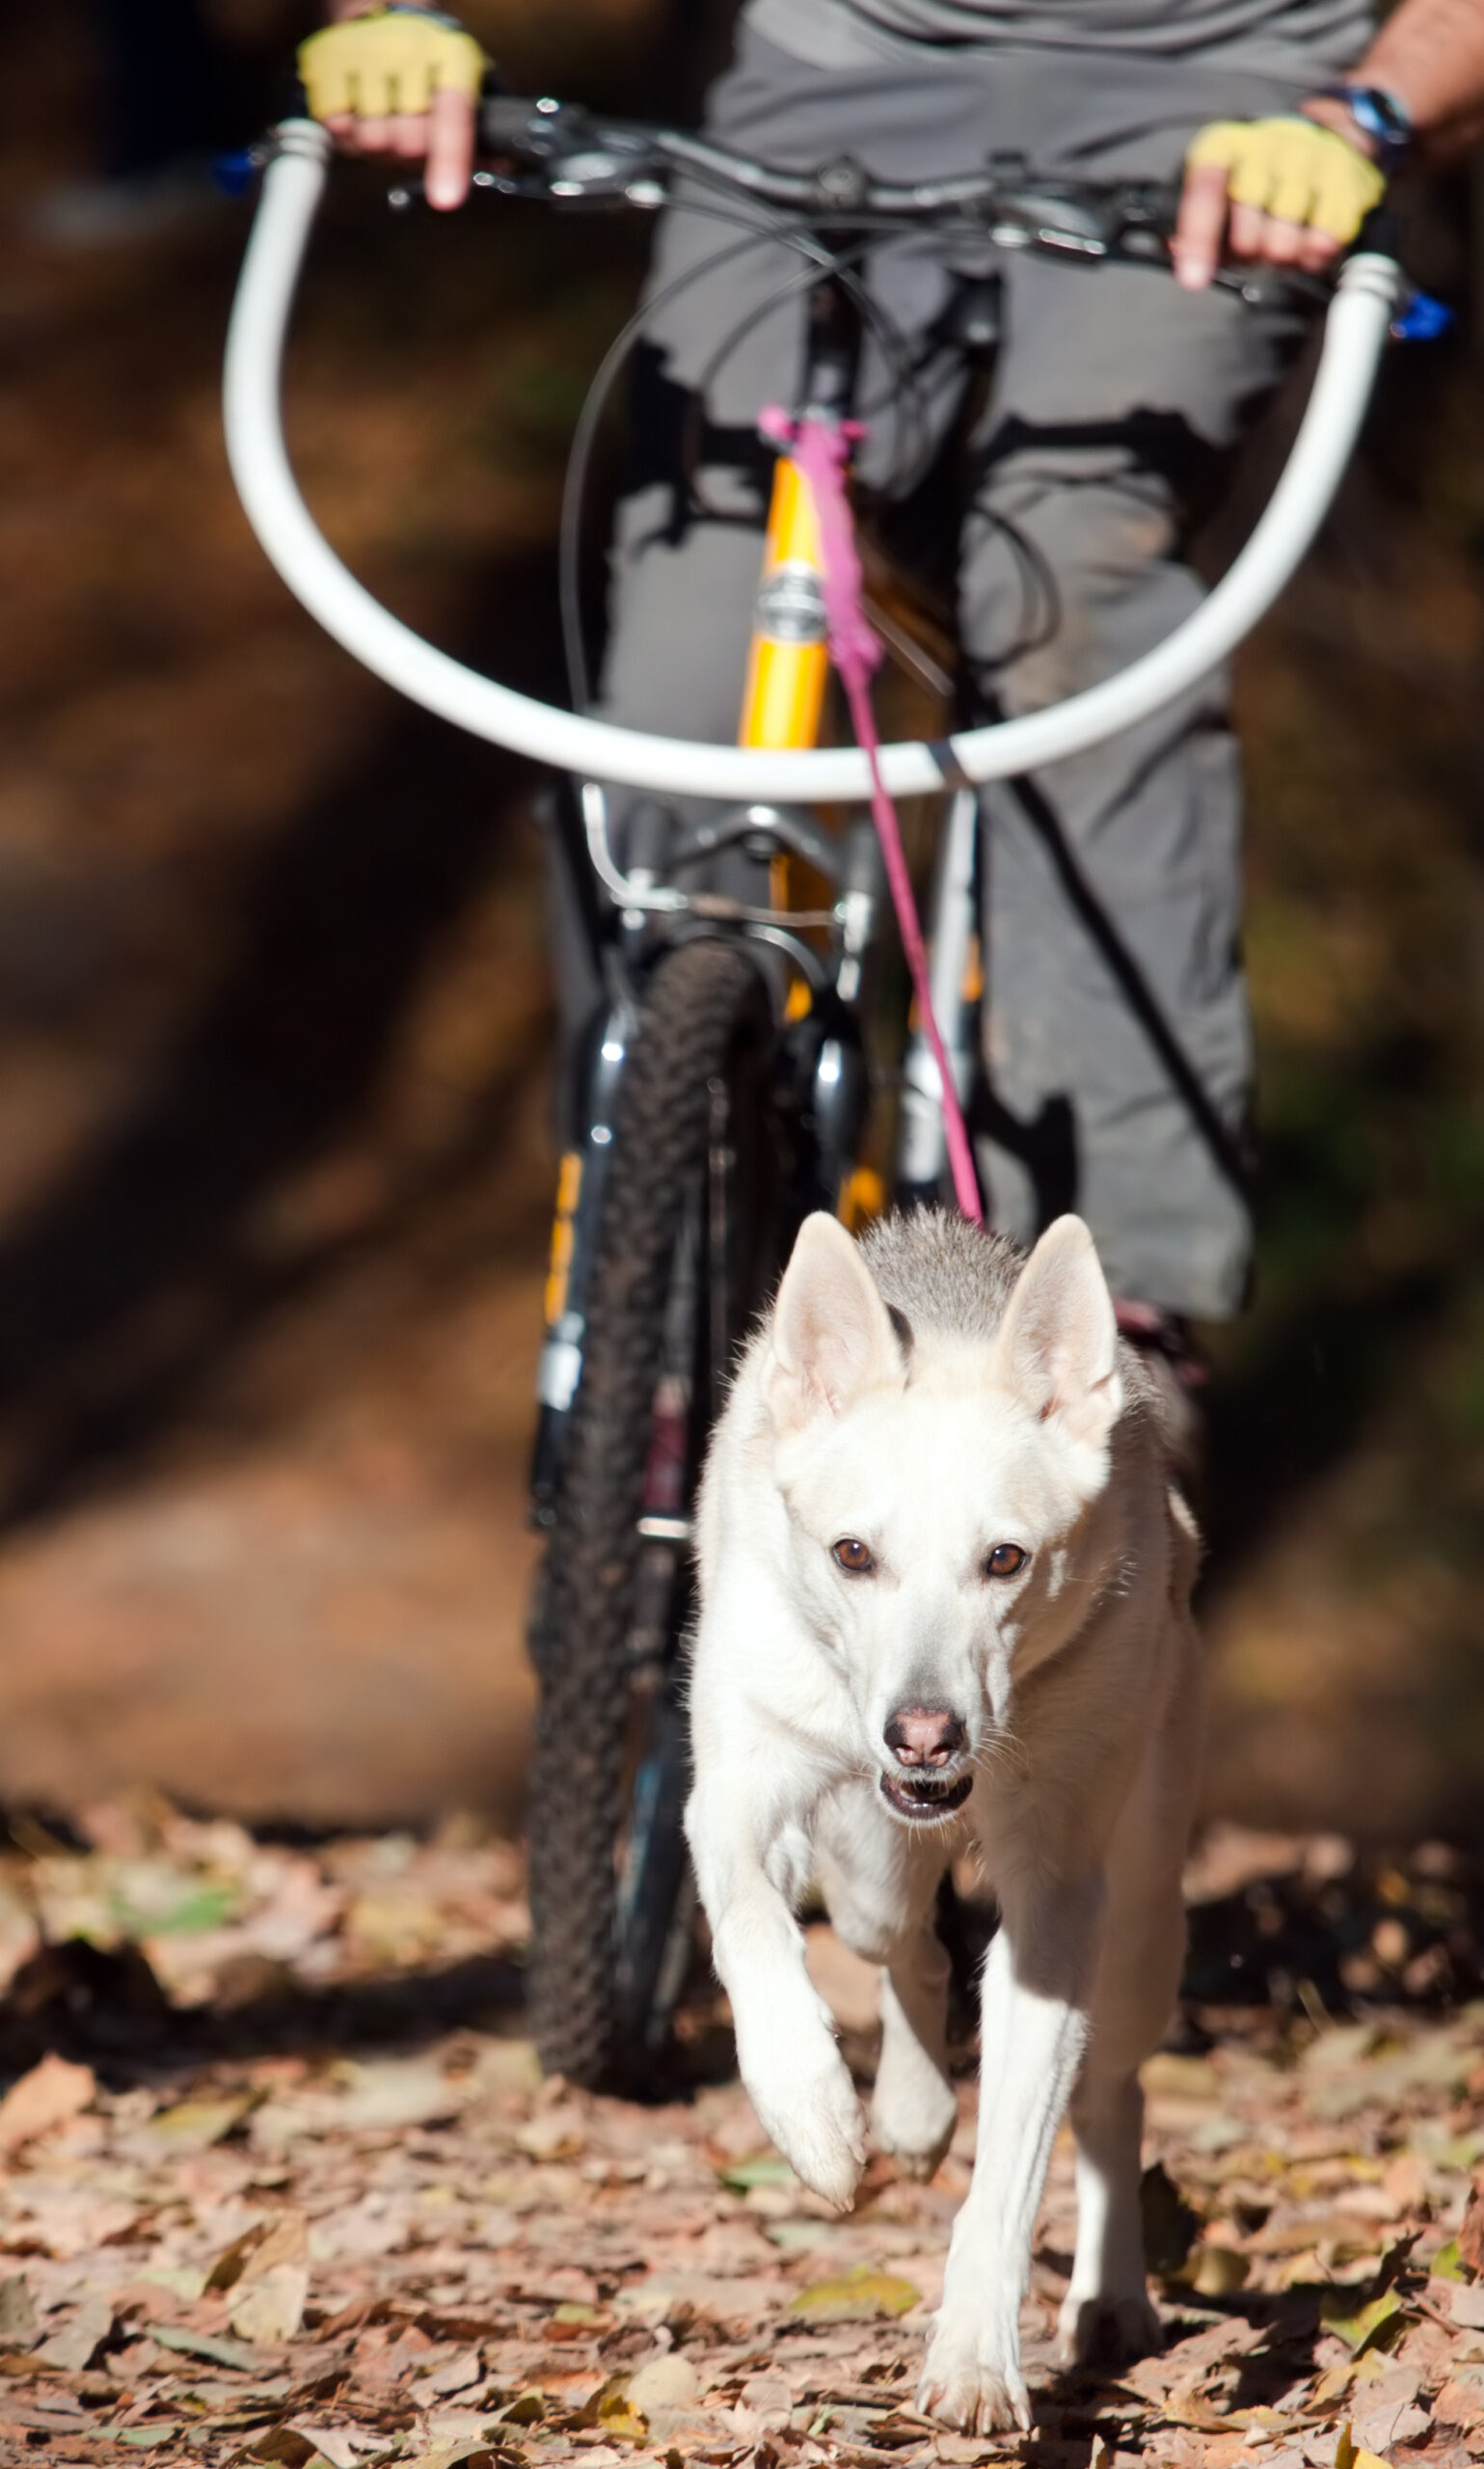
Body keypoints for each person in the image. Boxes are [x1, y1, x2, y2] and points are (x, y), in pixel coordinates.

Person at [297, 0, 1484, 1341]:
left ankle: (1112, 1308)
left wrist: (1372, 109)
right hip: (833, 72)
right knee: (690, 651)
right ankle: (653, 1230)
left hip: (1227, 108)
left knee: (1068, 573)